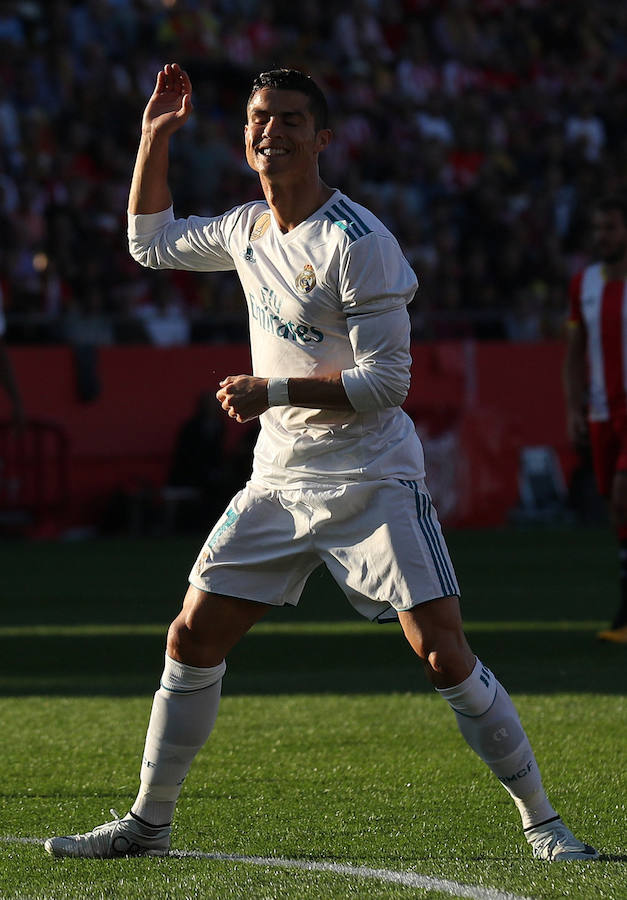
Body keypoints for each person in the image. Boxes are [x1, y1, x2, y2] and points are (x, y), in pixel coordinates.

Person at [44, 63, 598, 862]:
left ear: (322, 138)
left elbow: (385, 385)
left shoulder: (358, 241)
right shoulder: (244, 229)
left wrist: (270, 389)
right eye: (257, 118)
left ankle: (544, 824)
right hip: (279, 478)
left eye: (289, 119)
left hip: (371, 476)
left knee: (442, 652)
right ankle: (149, 822)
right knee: (192, 637)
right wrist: (154, 135)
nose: (269, 130)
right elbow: (148, 243)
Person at [564, 193, 627, 644]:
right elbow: (574, 351)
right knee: (614, 509)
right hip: (602, 411)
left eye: (611, 228)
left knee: (624, 498)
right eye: (598, 229)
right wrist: (574, 407)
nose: (602, 237)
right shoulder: (583, 283)